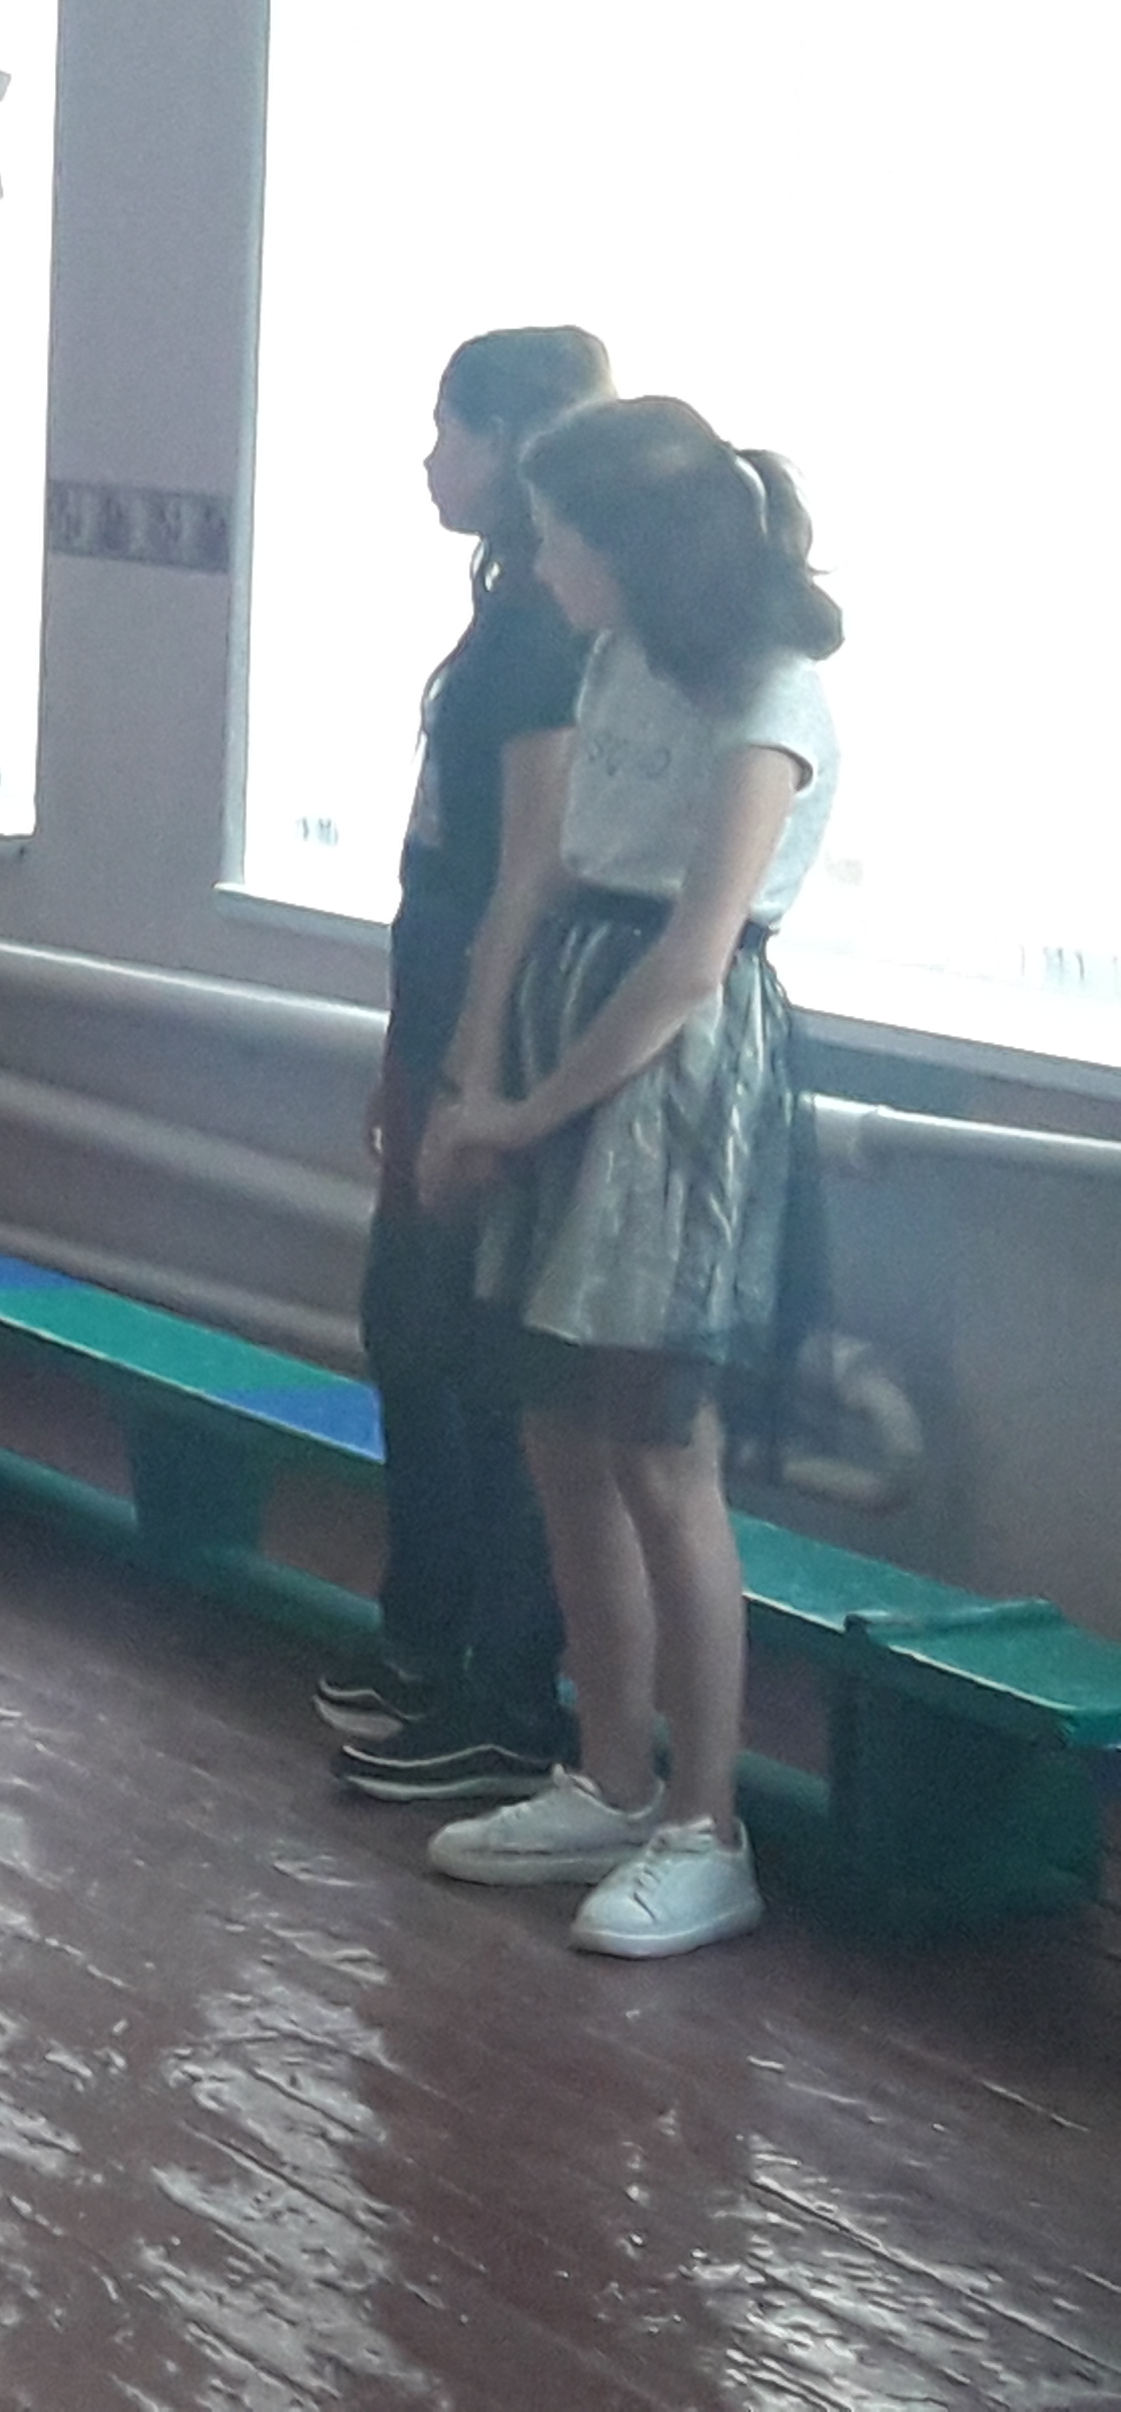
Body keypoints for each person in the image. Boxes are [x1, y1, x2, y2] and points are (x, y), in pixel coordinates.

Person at [416, 395, 842, 1958]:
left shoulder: (774, 695)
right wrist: (473, 1077)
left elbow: (692, 957)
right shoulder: (612, 659)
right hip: (558, 1021)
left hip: (670, 1075)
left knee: (661, 1450)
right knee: (557, 1432)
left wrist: (530, 1114)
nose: (537, 565)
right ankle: (608, 1775)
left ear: (633, 546)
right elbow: (540, 871)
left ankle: (705, 1825)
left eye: (557, 539)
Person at [325, 327, 615, 1806]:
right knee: (409, 1332)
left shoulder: (553, 635)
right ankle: (423, 1641)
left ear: (514, 446)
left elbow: (530, 868)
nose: (429, 457)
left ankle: (506, 1699)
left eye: (450, 429)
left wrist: (468, 1078)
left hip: (486, 1026)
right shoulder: (506, 607)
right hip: (435, 999)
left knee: (479, 1361)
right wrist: (407, 1056)